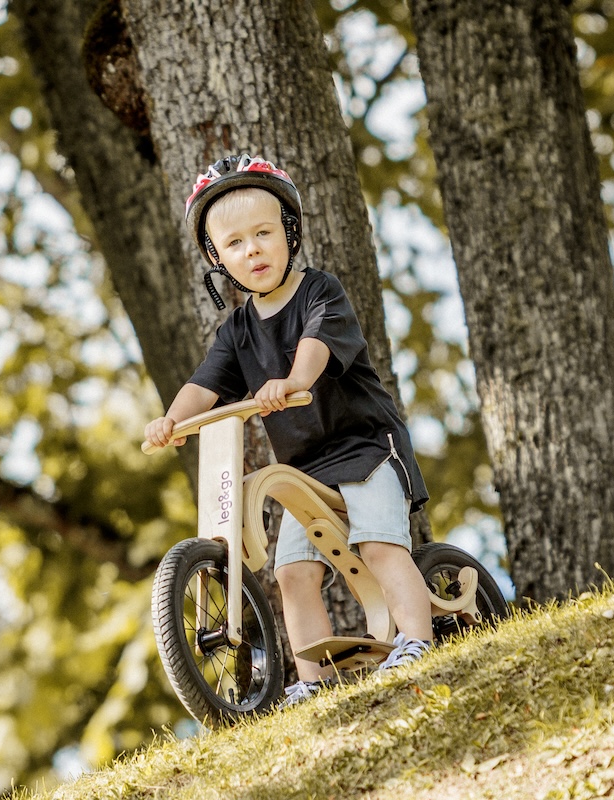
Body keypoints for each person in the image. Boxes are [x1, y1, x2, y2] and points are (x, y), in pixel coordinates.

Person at [143, 154, 435, 709]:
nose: (251, 250)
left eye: (263, 234)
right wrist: (172, 421)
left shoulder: (320, 292)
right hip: (306, 466)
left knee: (377, 544)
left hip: (366, 446)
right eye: (234, 243)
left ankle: (416, 637)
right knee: (293, 571)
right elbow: (205, 384)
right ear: (216, 258)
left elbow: (316, 349)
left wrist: (291, 381)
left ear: (289, 234)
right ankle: (310, 680)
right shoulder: (236, 330)